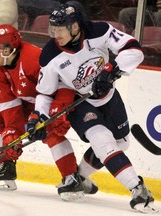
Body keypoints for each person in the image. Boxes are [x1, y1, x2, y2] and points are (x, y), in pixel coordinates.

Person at [26, 1, 156, 212]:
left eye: (60, 28)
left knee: (121, 143)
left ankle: (79, 179)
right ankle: (138, 190)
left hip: (109, 97)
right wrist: (38, 116)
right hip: (81, 103)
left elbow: (134, 49)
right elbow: (45, 93)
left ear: (75, 27)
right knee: (102, 140)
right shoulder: (50, 55)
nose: (54, 34)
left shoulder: (100, 31)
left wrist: (110, 70)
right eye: (53, 28)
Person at [0, 24, 97, 199]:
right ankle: (6, 167)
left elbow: (64, 84)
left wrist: (59, 110)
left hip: (57, 101)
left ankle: (71, 178)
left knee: (50, 131)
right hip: (30, 105)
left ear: (7, 49)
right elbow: (8, 104)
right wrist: (11, 134)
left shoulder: (34, 59)